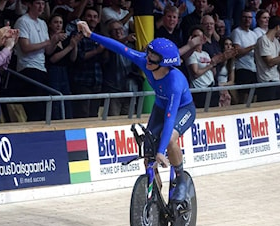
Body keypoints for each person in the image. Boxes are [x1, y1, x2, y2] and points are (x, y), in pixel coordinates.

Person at [77, 20, 196, 203]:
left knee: (170, 138)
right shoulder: (145, 61)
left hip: (182, 110)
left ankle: (181, 180)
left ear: (164, 63)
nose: (147, 59)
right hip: (160, 106)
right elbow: (119, 48)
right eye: (148, 54)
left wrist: (162, 150)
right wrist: (90, 34)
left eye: (152, 58)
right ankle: (155, 201)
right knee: (148, 154)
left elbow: (170, 118)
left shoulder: (175, 82)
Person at [14, 0, 65, 121]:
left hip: (42, 68)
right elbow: (25, 47)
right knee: (34, 110)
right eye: (37, 3)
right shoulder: (23, 21)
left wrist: (55, 41)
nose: (41, 6)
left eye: (43, 3)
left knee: (44, 109)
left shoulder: (42, 23)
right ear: (29, 4)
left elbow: (47, 51)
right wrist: (49, 41)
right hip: (28, 68)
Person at [69, 7, 105, 118]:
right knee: (82, 114)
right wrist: (97, 51)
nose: (92, 19)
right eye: (89, 16)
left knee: (94, 114)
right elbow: (79, 57)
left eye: (95, 17)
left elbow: (104, 60)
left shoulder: (99, 36)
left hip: (97, 80)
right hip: (82, 80)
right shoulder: (77, 35)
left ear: (98, 20)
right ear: (83, 18)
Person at [46, 13, 82, 119]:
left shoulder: (65, 39)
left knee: (66, 99)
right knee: (56, 100)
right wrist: (70, 47)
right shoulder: (48, 39)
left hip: (65, 72)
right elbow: (52, 59)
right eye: (55, 22)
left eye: (60, 23)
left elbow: (72, 58)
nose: (58, 25)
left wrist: (74, 45)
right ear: (50, 25)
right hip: (53, 72)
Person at [101, 19, 141, 116]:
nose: (118, 31)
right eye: (115, 30)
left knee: (129, 122)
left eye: (120, 28)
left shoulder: (131, 47)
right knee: (113, 122)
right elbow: (114, 46)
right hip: (114, 92)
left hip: (129, 90)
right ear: (110, 34)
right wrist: (126, 38)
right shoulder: (107, 45)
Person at [184, 25, 220, 108]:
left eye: (199, 36)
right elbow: (195, 73)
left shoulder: (206, 54)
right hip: (201, 91)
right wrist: (210, 65)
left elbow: (213, 73)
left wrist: (215, 63)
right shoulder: (191, 54)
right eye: (195, 36)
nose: (197, 39)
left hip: (212, 88)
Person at [230, 9, 258, 104]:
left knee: (253, 98)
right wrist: (253, 47)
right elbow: (237, 51)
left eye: (250, 17)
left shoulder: (254, 34)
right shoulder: (237, 32)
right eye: (245, 17)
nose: (247, 20)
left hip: (253, 69)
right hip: (242, 69)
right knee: (244, 99)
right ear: (241, 18)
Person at [216, 37, 235, 106]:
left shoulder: (231, 62)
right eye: (226, 44)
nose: (228, 46)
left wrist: (223, 85)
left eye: (230, 44)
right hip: (216, 87)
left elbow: (231, 81)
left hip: (225, 87)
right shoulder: (217, 58)